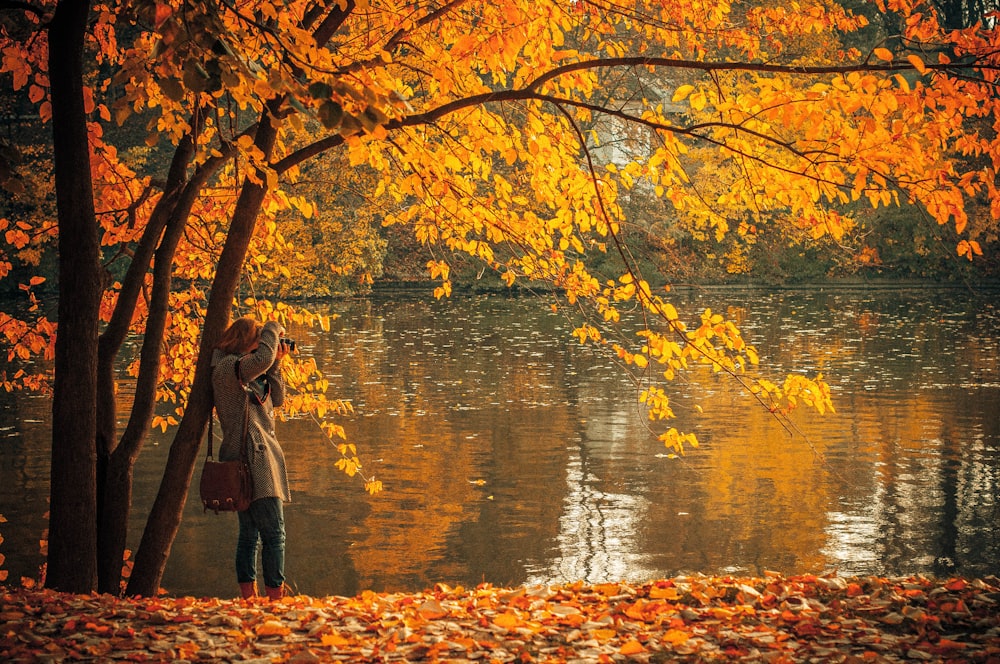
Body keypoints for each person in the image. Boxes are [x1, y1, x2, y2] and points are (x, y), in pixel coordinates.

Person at [212, 316, 291, 600]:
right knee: (274, 534)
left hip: (258, 456)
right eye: (258, 339)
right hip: (250, 458)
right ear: (247, 341)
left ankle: (251, 598)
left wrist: (277, 363)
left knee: (251, 535)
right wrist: (272, 327)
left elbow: (278, 398)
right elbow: (263, 357)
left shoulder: (248, 372)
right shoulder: (228, 368)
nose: (263, 346)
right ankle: (275, 598)